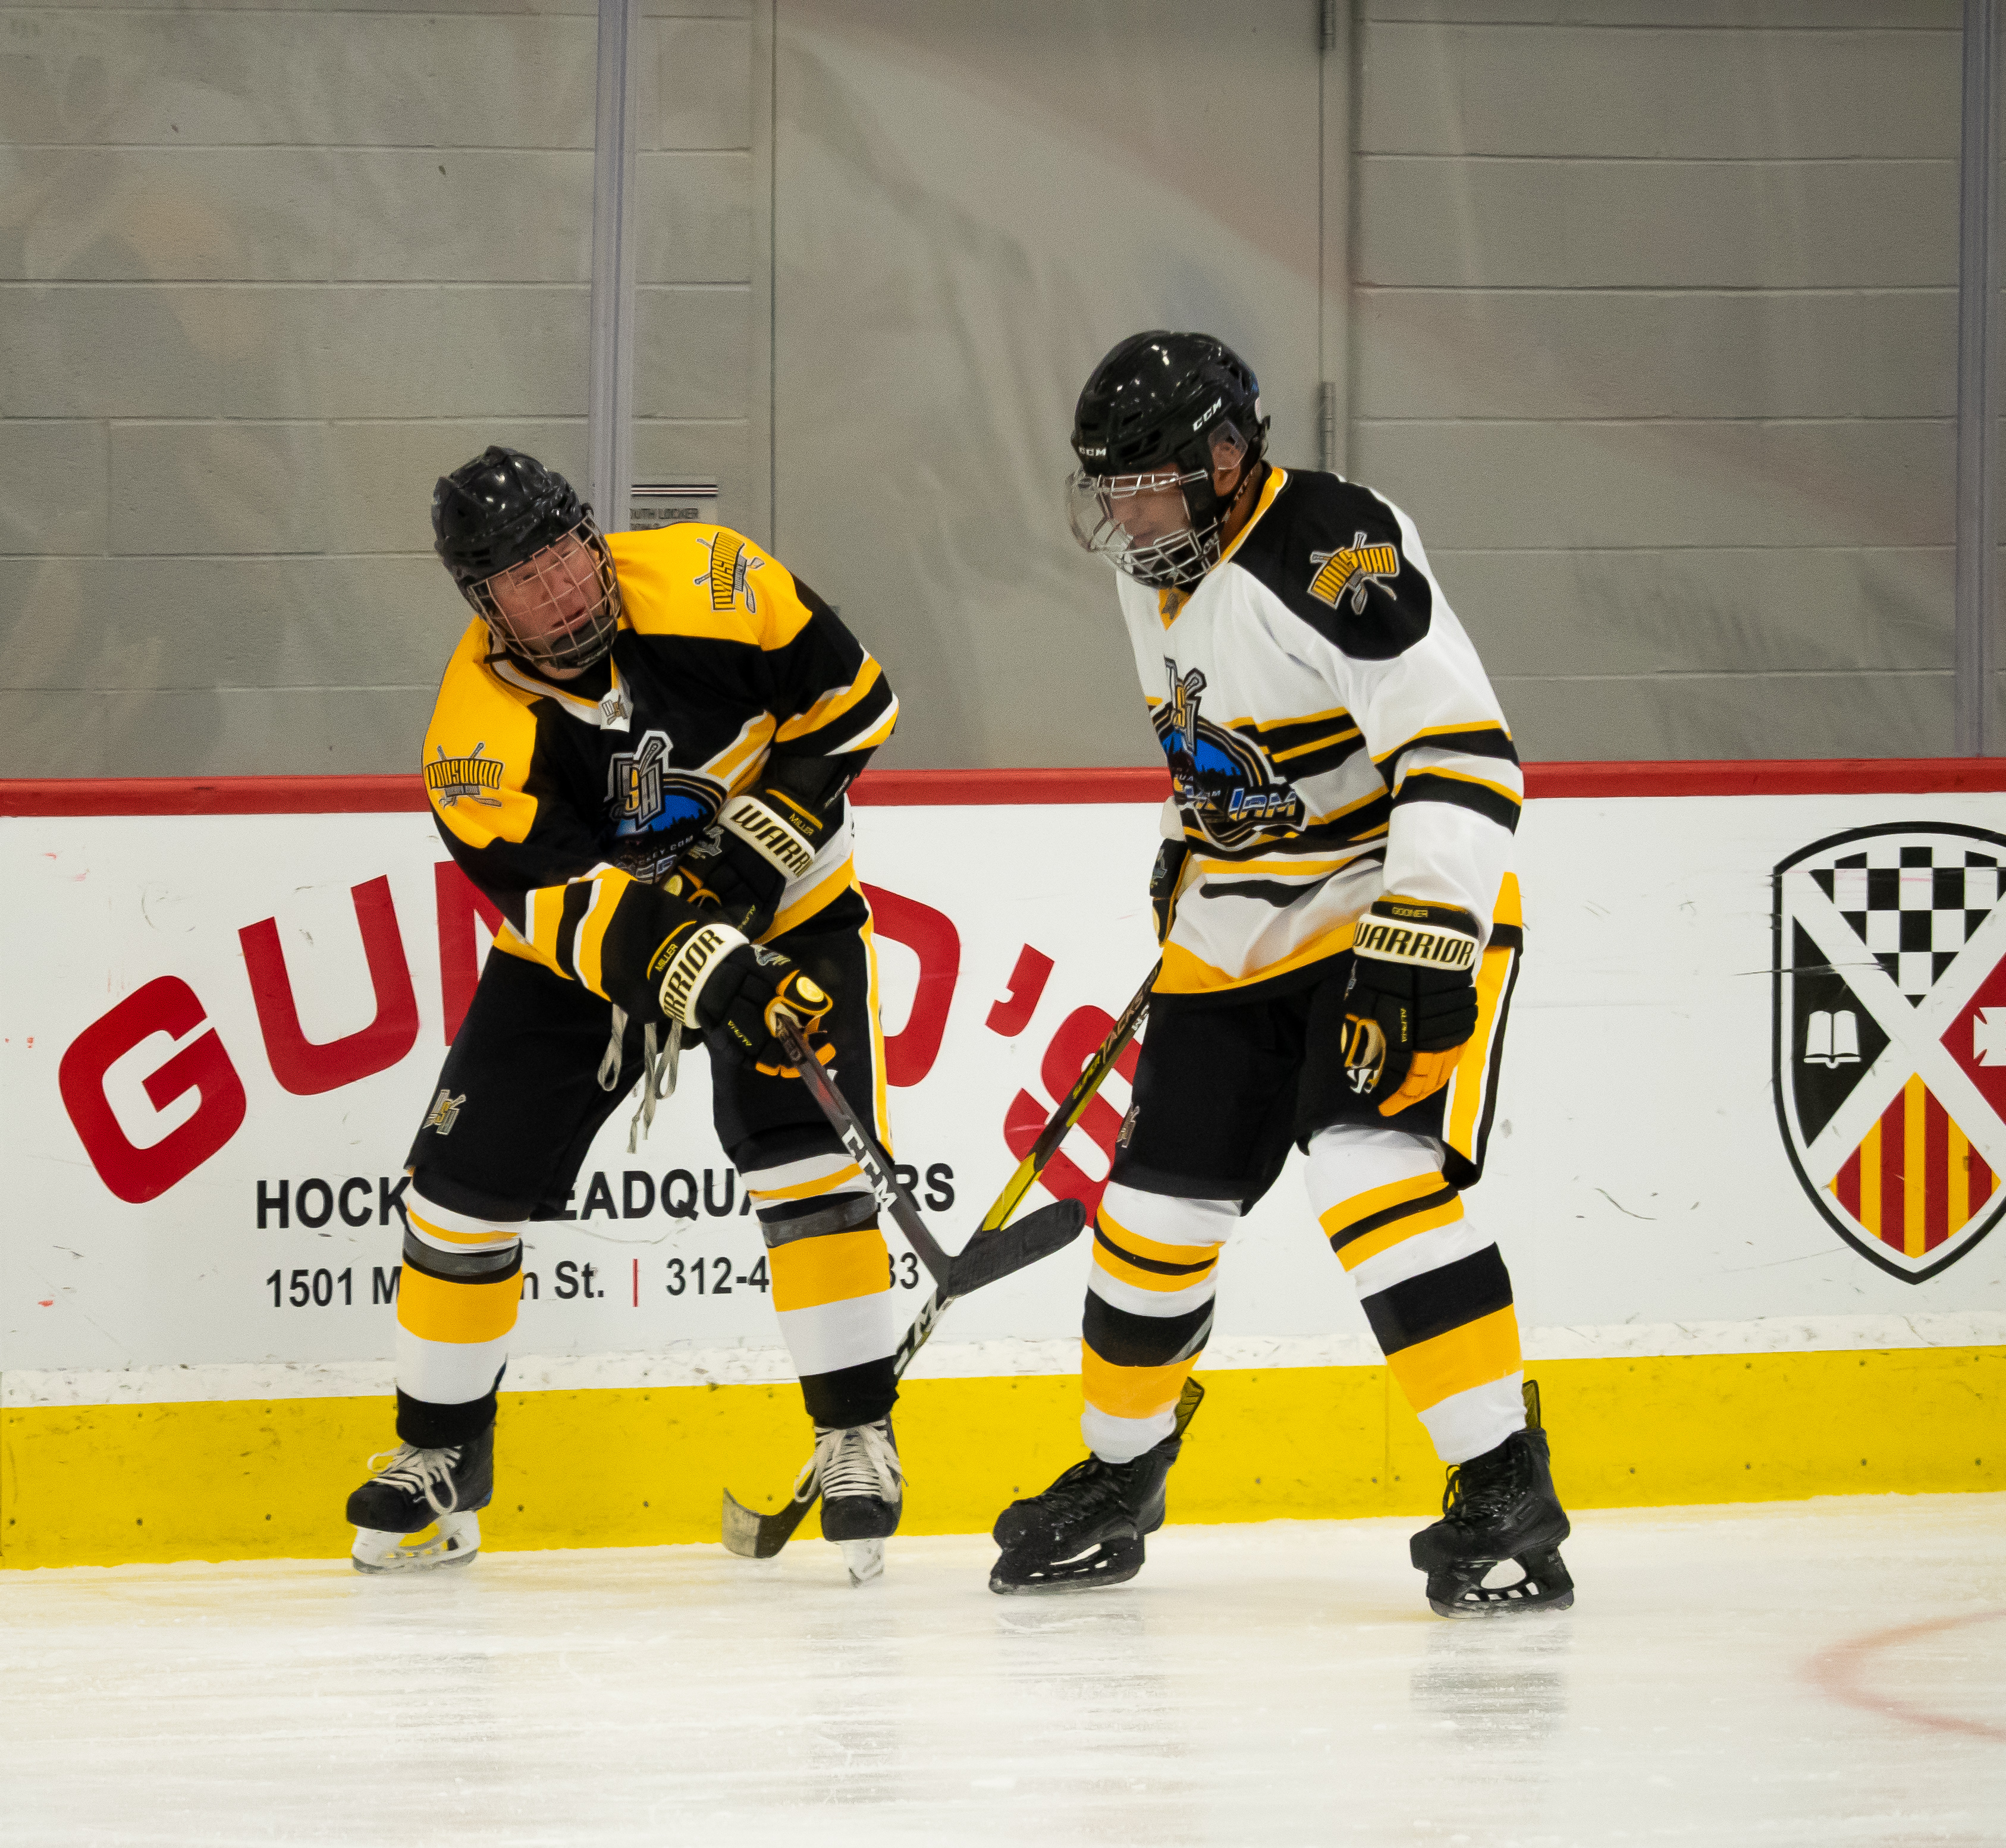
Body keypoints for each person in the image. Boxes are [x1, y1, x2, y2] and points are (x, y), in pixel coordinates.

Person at [988, 334, 1572, 1617]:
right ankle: (1120, 1476)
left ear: (1224, 458)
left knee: (1370, 1173)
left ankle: (1503, 1480)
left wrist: (1424, 931)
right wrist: (1176, 858)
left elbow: (1464, 749)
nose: (1131, 520)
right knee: (1152, 1219)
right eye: (1113, 493)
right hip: (1240, 929)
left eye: (1150, 489)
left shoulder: (1332, 545)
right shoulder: (1153, 572)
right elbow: (1212, 750)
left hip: (1389, 907)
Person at [344, 448, 906, 1584]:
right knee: (458, 1190)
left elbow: (854, 707)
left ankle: (855, 1433)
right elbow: (567, 911)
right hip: (593, 951)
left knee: (805, 1160)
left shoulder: (715, 580)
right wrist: (717, 968)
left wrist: (762, 850)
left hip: (789, 901)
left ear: (592, 538)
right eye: (522, 578)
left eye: (562, 555)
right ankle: (439, 1456)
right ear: (483, 602)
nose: (556, 589)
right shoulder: (475, 736)